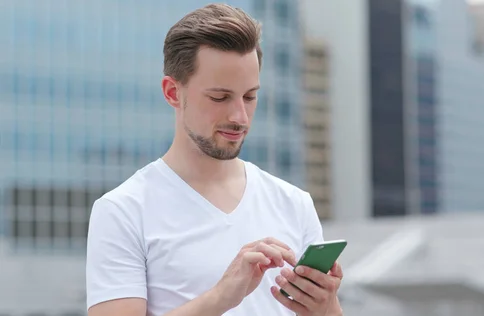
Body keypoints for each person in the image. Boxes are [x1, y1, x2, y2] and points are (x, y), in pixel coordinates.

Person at [85, 3, 344, 316]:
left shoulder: (294, 203)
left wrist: (328, 309)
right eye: (220, 97)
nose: (239, 116)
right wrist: (221, 297)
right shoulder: (123, 211)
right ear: (172, 92)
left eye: (249, 96)